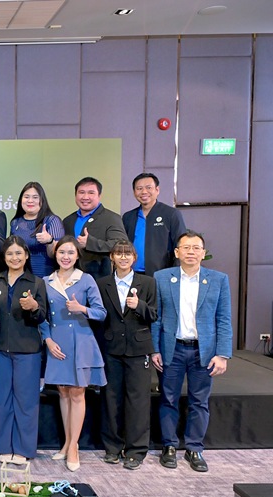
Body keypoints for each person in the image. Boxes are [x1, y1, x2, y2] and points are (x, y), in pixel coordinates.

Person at [151, 230, 232, 473]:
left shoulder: (218, 279)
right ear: (177, 252)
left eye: (196, 248)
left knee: (200, 401)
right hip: (172, 348)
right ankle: (169, 446)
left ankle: (195, 448)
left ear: (203, 253)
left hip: (203, 351)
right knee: (168, 398)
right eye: (186, 247)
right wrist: (154, 349)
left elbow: (224, 319)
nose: (191, 252)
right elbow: (156, 318)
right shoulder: (162, 278)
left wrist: (222, 354)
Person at [40, 235, 107, 472]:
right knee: (63, 392)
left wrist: (82, 309)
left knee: (77, 393)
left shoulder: (86, 279)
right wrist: (47, 339)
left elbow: (101, 313)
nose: (65, 257)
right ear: (55, 254)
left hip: (81, 341)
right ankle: (67, 443)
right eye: (61, 252)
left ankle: (74, 448)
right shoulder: (46, 281)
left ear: (77, 255)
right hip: (57, 343)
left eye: (70, 252)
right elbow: (41, 316)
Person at [96, 241, 157, 470]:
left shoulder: (148, 283)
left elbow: (154, 314)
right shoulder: (102, 283)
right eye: (119, 254)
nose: (123, 257)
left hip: (138, 349)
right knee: (111, 399)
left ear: (134, 257)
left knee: (138, 401)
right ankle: (112, 448)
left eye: (127, 254)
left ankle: (136, 451)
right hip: (111, 348)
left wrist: (139, 305)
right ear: (112, 257)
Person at [0, 236, 47, 465]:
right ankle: (3, 446)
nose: (15, 258)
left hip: (28, 350)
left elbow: (42, 316)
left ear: (26, 255)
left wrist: (34, 307)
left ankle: (23, 448)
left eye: (19, 253)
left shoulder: (36, 283)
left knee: (26, 401)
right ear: (4, 257)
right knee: (0, 400)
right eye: (10, 253)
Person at [122, 172, 187, 276]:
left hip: (162, 274)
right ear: (134, 192)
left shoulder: (171, 214)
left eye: (148, 188)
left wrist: (175, 274)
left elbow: (181, 245)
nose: (144, 192)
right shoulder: (128, 217)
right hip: (132, 274)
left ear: (157, 190)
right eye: (139, 188)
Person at [62, 177, 127, 279]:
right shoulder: (68, 220)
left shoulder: (111, 218)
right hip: (70, 276)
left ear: (99, 196)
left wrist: (90, 243)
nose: (85, 197)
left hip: (100, 278)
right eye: (81, 192)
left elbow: (121, 246)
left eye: (91, 193)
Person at [10, 182, 65, 278]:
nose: (30, 201)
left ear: (42, 200)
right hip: (21, 277)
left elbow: (59, 254)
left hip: (45, 276)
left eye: (35, 197)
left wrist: (49, 241)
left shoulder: (52, 220)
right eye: (26, 197)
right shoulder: (15, 222)